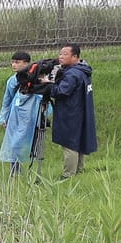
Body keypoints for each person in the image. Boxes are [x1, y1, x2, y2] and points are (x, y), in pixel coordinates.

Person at [40, 43, 97, 179]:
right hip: (82, 111)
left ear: (75, 56)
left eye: (65, 54)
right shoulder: (84, 70)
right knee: (79, 141)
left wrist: (47, 86)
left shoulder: (72, 74)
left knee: (69, 143)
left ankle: (68, 175)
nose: (61, 57)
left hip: (70, 112)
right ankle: (79, 171)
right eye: (60, 53)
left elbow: (62, 92)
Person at [0, 51, 48, 178]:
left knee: (34, 143)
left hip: (32, 117)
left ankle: (35, 172)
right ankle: (15, 171)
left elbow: (43, 98)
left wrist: (45, 114)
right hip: (16, 116)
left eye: (17, 62)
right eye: (12, 62)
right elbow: (7, 99)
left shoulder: (37, 79)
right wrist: (3, 116)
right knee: (14, 143)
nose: (14, 65)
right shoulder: (12, 81)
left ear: (26, 63)